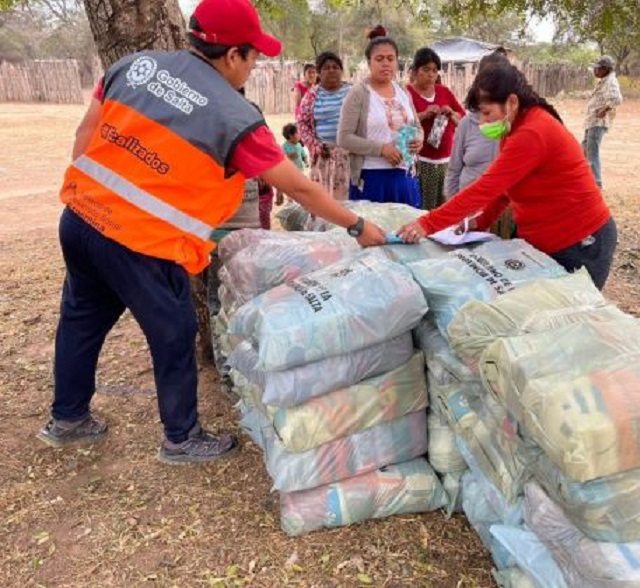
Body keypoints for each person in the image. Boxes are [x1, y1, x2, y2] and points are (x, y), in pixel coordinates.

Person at [40, 0, 385, 464]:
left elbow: (85, 136)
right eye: (253, 56)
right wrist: (358, 224)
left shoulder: (133, 67)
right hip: (142, 241)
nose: (254, 66)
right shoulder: (234, 114)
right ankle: (181, 438)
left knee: (81, 318)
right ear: (232, 56)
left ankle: (68, 418)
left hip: (80, 219)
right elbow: (298, 187)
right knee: (176, 331)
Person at [398, 62, 617, 290]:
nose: (482, 122)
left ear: (512, 102)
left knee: (569, 317)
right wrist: (478, 222)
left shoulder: (532, 132)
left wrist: (427, 223)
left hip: (580, 242)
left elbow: (486, 187)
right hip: (544, 241)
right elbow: (505, 190)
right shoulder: (513, 128)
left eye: (486, 113)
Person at [337, 26, 424, 207]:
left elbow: (416, 125)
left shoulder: (402, 92)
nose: (386, 63)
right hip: (373, 178)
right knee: (375, 233)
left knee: (406, 232)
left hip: (405, 177)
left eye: (390, 59)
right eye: (379, 59)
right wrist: (381, 149)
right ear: (369, 63)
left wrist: (419, 139)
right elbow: (344, 138)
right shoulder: (359, 94)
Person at [444, 51, 512, 237]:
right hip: (468, 210)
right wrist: (454, 210)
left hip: (503, 213)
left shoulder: (517, 126)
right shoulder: (468, 124)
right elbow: (454, 170)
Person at [406, 47, 465, 210]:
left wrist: (451, 112)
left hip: (447, 161)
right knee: (423, 208)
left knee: (445, 208)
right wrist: (424, 115)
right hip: (421, 161)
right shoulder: (407, 93)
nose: (431, 74)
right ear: (416, 70)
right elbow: (400, 123)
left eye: (434, 70)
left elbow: (463, 120)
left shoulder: (444, 91)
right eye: (426, 70)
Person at [297, 51, 352, 201]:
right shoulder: (311, 95)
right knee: (323, 203)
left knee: (350, 204)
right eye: (326, 68)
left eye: (336, 67)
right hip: (324, 156)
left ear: (342, 71)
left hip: (351, 157)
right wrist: (315, 146)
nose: (332, 70)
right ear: (319, 73)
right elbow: (302, 123)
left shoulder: (354, 92)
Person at [582, 55, 623, 189]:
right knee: (584, 150)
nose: (595, 71)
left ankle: (596, 183)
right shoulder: (604, 80)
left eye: (597, 68)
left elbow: (616, 99)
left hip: (598, 122)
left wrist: (604, 109)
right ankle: (583, 180)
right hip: (592, 121)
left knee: (592, 152)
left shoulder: (610, 81)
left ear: (605, 69)